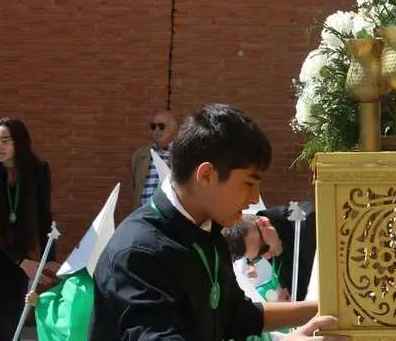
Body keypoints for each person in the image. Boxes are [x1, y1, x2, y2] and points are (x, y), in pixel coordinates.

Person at [89, 104, 345, 341]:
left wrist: (332, 309)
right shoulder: (138, 253)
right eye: (248, 183)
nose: (254, 198)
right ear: (207, 175)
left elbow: (237, 315)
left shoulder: (208, 229)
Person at [132, 110, 179, 207]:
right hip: (143, 213)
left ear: (173, 129)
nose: (157, 130)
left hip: (169, 213)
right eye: (153, 127)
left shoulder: (181, 154)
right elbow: (135, 185)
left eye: (161, 126)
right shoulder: (141, 155)